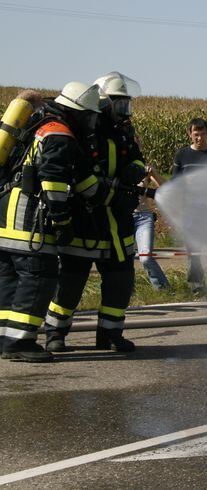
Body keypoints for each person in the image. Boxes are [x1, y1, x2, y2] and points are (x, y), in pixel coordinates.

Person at [1, 83, 105, 362]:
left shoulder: (38, 123)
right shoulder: (60, 133)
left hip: (5, 218)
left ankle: (5, 339)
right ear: (78, 112)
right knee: (39, 277)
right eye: (89, 116)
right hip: (28, 221)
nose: (91, 122)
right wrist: (62, 220)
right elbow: (54, 181)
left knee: (9, 279)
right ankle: (20, 342)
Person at [44, 72, 147, 353]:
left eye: (126, 105)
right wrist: (112, 195)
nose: (123, 111)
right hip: (86, 221)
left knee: (120, 282)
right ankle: (55, 334)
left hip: (118, 226)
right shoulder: (84, 130)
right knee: (70, 284)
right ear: (102, 103)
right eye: (118, 104)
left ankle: (110, 334)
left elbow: (138, 157)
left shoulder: (125, 131)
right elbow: (79, 175)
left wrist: (134, 169)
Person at [171, 117, 207, 290]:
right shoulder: (182, 155)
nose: (200, 138)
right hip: (191, 210)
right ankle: (196, 283)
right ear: (189, 134)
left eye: (203, 134)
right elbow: (176, 183)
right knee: (194, 248)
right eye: (196, 134)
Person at [134, 164, 168, 289]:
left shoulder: (144, 168)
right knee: (125, 260)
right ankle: (127, 293)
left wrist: (154, 174)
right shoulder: (116, 165)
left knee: (146, 257)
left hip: (143, 217)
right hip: (123, 217)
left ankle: (163, 289)